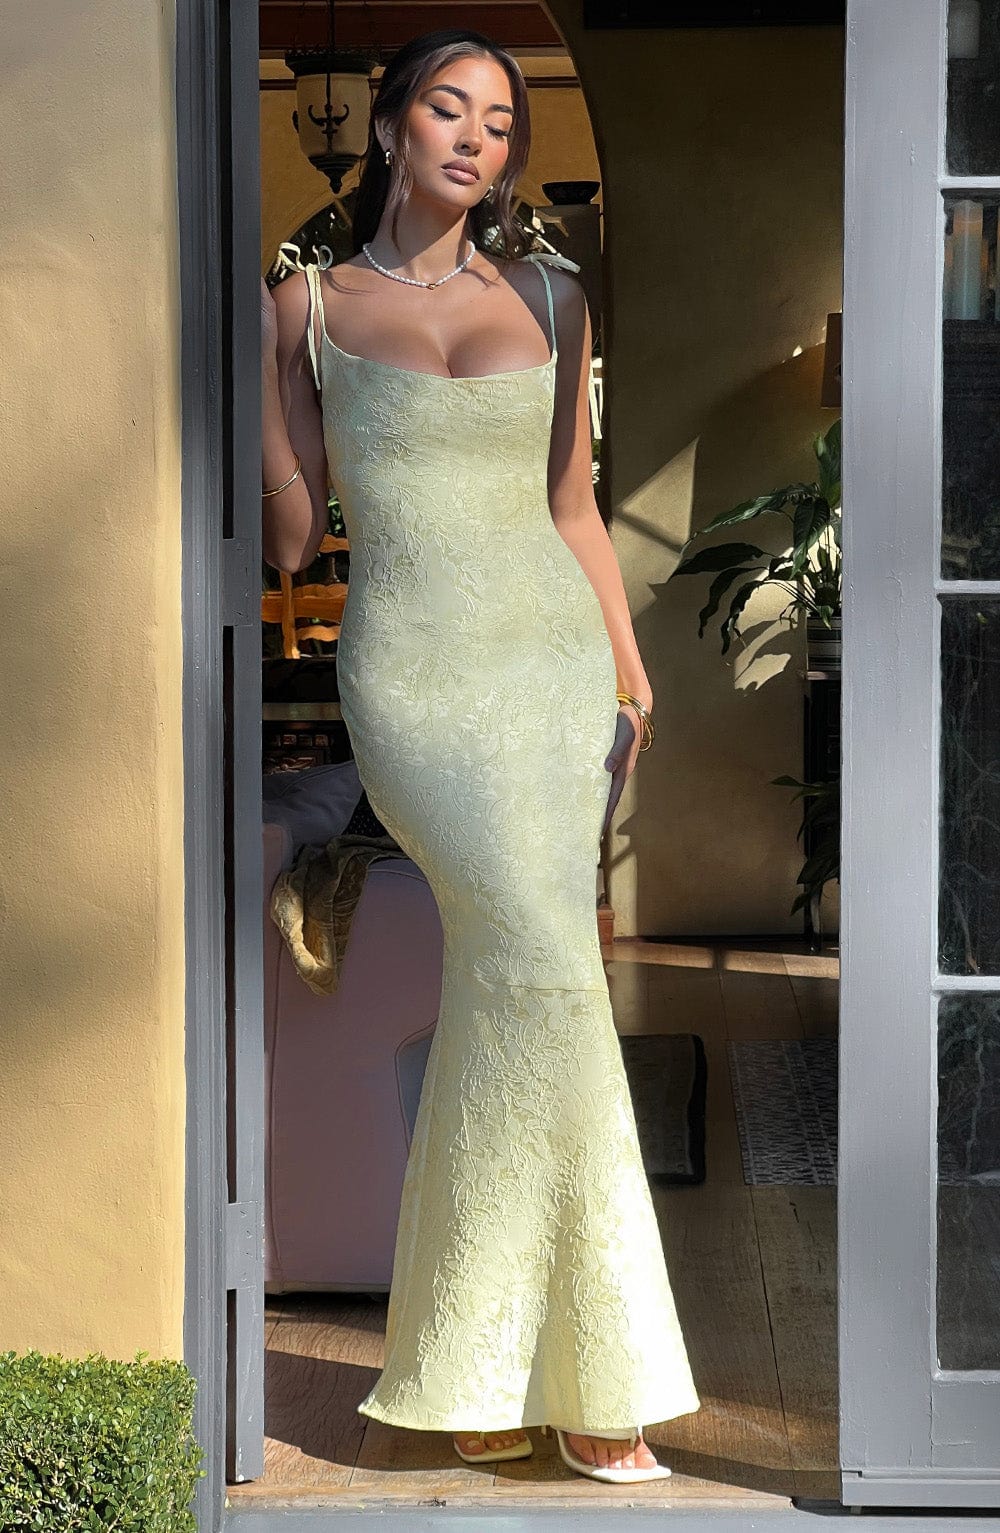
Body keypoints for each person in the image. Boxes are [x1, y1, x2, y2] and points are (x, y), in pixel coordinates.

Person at [259, 26, 701, 1485]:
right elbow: (290, 538)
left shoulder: (554, 294)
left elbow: (573, 507)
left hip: (552, 669)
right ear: (391, 126)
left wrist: (626, 672)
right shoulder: (306, 306)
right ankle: (605, 1373)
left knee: (523, 980)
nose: (474, 136)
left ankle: (483, 1365)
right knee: (537, 965)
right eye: (447, 109)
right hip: (416, 681)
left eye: (500, 121)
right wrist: (262, 374)